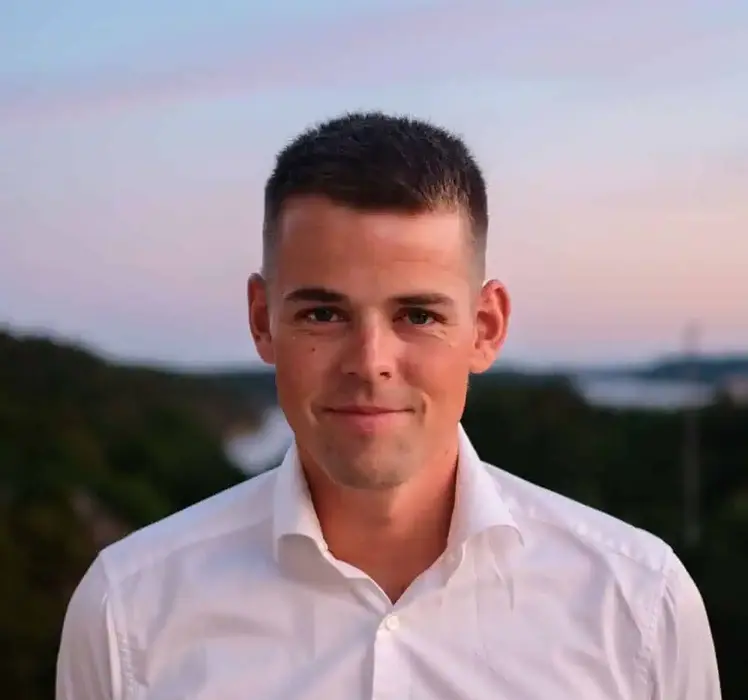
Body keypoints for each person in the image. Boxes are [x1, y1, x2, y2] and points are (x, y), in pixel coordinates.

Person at [56, 111, 721, 699]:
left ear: (485, 327)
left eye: (418, 315)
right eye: (323, 313)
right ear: (262, 321)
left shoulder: (640, 606)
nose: (370, 361)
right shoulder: (128, 612)